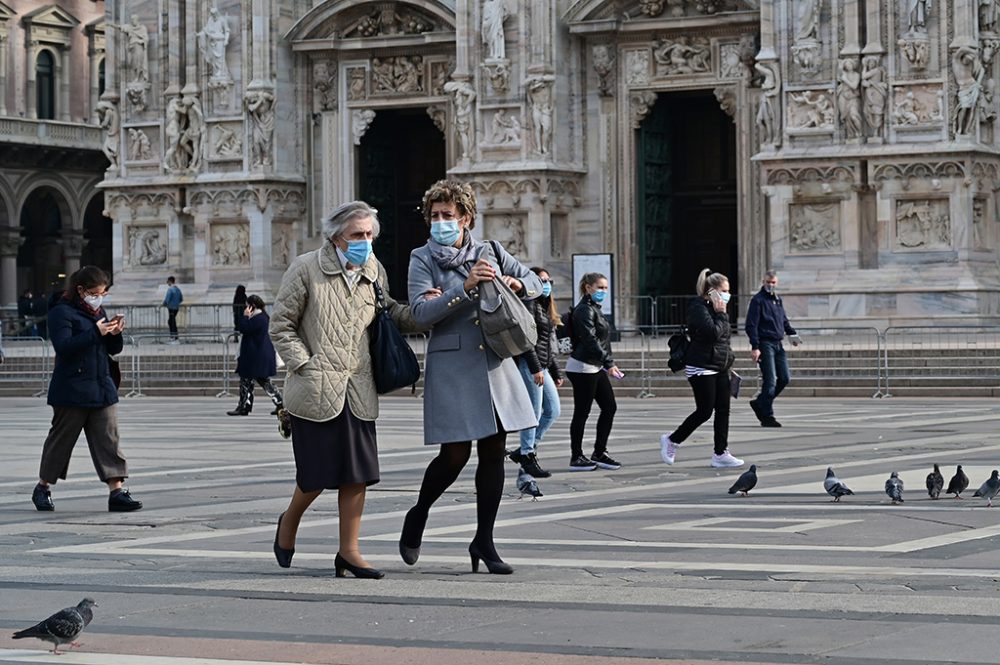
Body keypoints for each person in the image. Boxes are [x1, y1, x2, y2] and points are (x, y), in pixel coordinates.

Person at [269, 201, 423, 578]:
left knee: (358, 472)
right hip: (315, 387)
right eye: (358, 235)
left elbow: (389, 314)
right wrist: (306, 364)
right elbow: (281, 325)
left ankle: (349, 552)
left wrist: (429, 309)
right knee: (316, 474)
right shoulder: (306, 268)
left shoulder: (373, 270)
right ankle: (289, 522)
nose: (365, 242)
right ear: (337, 236)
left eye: (370, 235)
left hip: (358, 386)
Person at [399, 179, 542, 575]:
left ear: (465, 217)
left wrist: (516, 282)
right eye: (434, 216)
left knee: (495, 448)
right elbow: (422, 314)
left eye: (448, 215)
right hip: (452, 365)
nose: (440, 222)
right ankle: (419, 512)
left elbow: (537, 282)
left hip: (494, 361)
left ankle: (484, 539)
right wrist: (464, 287)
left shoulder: (490, 250)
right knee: (455, 454)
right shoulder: (421, 258)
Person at [30, 266, 142, 513]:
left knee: (109, 440)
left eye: (102, 293)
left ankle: (117, 491)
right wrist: (95, 331)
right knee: (61, 441)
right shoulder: (61, 312)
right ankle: (42, 487)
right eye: (94, 292)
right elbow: (64, 346)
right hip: (72, 388)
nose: (98, 297)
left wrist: (115, 333)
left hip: (101, 385)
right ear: (80, 290)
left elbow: (111, 349)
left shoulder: (97, 311)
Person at [660, 269, 744, 469]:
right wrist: (721, 314)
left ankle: (720, 453)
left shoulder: (718, 310)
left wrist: (728, 360)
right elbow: (713, 333)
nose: (726, 295)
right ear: (712, 291)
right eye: (723, 290)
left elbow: (724, 340)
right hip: (701, 365)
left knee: (723, 410)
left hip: (720, 365)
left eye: (728, 291)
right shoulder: (698, 307)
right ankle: (672, 439)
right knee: (705, 410)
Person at [507, 267, 563, 479]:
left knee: (553, 410)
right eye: (542, 280)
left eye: (549, 280)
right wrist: (535, 368)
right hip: (531, 365)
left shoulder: (542, 305)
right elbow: (527, 340)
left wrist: (555, 371)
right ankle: (528, 454)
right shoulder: (528, 303)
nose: (546, 284)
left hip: (543, 365)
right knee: (534, 412)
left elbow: (547, 343)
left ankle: (524, 450)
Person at [565, 272, 624, 472]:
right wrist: (609, 363)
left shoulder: (594, 309)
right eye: (600, 287)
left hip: (594, 365)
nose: (603, 291)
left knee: (610, 407)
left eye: (605, 288)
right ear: (588, 287)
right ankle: (576, 456)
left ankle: (599, 452)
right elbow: (590, 341)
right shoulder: (584, 310)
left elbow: (603, 341)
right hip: (582, 366)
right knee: (582, 412)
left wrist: (607, 362)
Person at [745, 270, 800, 428]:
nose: (770, 285)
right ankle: (767, 416)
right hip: (764, 343)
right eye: (768, 282)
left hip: (778, 343)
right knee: (770, 381)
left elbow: (783, 320)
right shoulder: (758, 300)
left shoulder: (777, 299)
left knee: (784, 378)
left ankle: (760, 403)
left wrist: (792, 334)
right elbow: (751, 325)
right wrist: (755, 347)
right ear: (763, 282)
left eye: (773, 283)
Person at [228, 295, 283, 417]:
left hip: (254, 358)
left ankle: (244, 406)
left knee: (248, 382)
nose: (246, 308)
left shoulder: (257, 318)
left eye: (247, 305)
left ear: (252, 306)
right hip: (256, 357)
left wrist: (245, 316)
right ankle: (280, 403)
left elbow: (243, 328)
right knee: (261, 382)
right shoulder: (262, 317)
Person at [162, 276, 183, 342]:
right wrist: (176, 303)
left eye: (168, 281)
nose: (167, 283)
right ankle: (175, 336)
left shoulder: (170, 289)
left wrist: (164, 304)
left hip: (171, 308)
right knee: (172, 321)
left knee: (171, 322)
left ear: (170, 281)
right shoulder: (178, 289)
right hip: (176, 307)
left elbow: (167, 299)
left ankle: (173, 337)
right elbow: (181, 299)